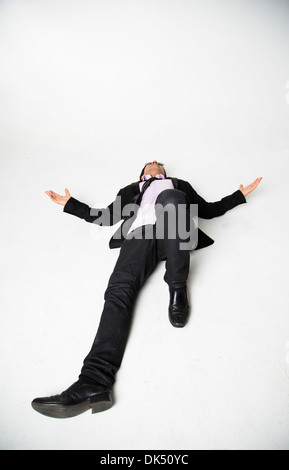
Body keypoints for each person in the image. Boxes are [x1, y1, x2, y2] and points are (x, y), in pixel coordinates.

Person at [32, 161, 262, 419]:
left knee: (171, 198)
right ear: (142, 173)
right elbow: (107, 216)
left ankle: (177, 287)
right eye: (149, 163)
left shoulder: (179, 185)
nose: (154, 162)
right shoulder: (130, 190)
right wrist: (70, 204)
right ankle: (94, 381)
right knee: (117, 291)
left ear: (163, 170)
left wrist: (239, 195)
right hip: (138, 237)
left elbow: (208, 210)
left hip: (174, 232)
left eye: (158, 163)